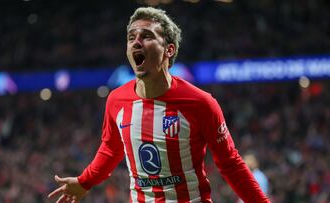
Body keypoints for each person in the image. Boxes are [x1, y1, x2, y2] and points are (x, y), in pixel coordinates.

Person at [48, 7, 270, 203]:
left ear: (169, 50)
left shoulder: (201, 103)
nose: (136, 41)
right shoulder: (116, 101)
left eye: (146, 36)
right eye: (131, 36)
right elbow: (111, 148)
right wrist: (85, 181)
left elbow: (230, 164)